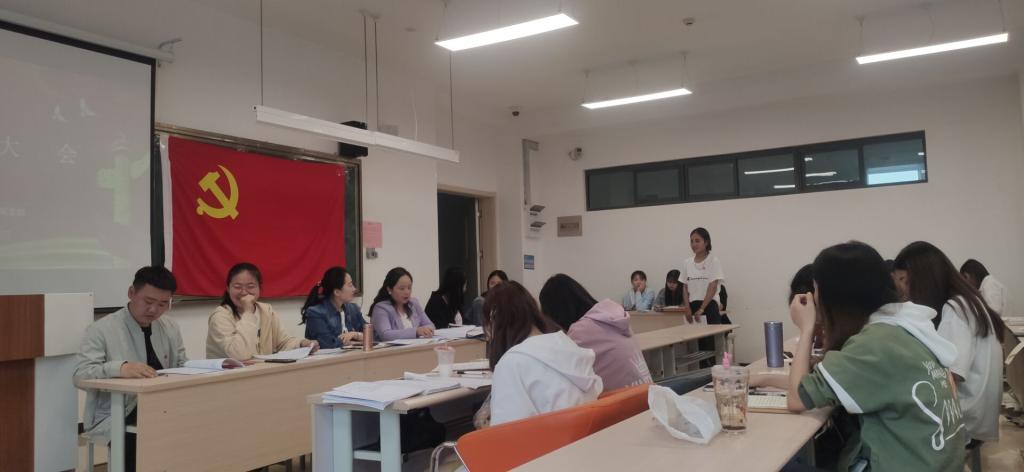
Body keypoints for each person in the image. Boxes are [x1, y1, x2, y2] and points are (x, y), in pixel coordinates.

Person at [752, 241, 966, 471]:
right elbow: (814, 384)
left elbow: (797, 399)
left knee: (778, 464)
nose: (814, 298)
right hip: (938, 463)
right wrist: (763, 379)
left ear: (836, 297)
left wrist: (806, 329)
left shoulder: (874, 345)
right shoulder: (904, 326)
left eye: (816, 289)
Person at [74, 266, 187, 472]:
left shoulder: (170, 327)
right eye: (148, 301)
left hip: (162, 404)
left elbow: (181, 365)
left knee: (197, 422)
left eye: (163, 304)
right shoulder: (101, 329)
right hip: (117, 411)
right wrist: (120, 368)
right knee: (144, 433)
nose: (154, 310)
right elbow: (80, 374)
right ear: (131, 293)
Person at [895, 242, 1006, 446]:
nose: (903, 291)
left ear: (924, 279)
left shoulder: (956, 309)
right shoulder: (968, 301)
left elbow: (949, 376)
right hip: (976, 413)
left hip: (965, 419)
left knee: (887, 418)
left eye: (905, 281)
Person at [485, 281, 603, 425]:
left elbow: (505, 433)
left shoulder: (511, 363)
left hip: (550, 437)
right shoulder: (568, 345)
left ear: (493, 319)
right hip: (584, 435)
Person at [539, 274, 652, 391]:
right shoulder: (613, 316)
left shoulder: (580, 332)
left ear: (556, 313)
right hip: (648, 395)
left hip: (627, 401)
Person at [206, 262, 317, 359]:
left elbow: (283, 343)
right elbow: (239, 354)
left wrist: (302, 344)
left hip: (260, 371)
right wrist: (248, 312)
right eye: (237, 287)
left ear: (259, 288)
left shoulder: (266, 311)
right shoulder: (220, 316)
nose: (244, 292)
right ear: (228, 288)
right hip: (229, 374)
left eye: (250, 286)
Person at [300, 266, 367, 348]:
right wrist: (355, 341)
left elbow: (374, 334)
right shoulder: (315, 312)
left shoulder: (353, 309)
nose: (354, 289)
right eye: (350, 285)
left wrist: (356, 335)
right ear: (337, 292)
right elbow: (327, 343)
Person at [369, 267, 435, 341]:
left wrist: (426, 330)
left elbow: (430, 325)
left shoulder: (413, 303)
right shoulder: (381, 308)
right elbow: (386, 335)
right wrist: (416, 331)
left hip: (417, 346)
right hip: (393, 348)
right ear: (389, 289)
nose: (407, 292)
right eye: (402, 288)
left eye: (409, 288)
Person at [682, 227, 725, 324]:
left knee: (710, 334)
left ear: (706, 242)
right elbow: (684, 286)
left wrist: (702, 309)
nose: (694, 244)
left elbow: (712, 286)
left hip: (709, 305)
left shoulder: (714, 261)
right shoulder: (687, 262)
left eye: (697, 241)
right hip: (692, 306)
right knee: (692, 334)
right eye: (691, 241)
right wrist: (687, 308)